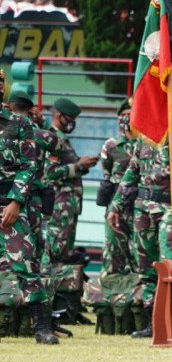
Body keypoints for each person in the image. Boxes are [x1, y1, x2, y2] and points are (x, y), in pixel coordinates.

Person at [107, 122, 172, 338]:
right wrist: (115, 205)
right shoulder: (144, 133)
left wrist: (164, 135)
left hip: (168, 207)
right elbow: (132, 170)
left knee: (170, 264)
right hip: (142, 208)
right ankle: (152, 322)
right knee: (145, 267)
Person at [0, 92, 58, 344]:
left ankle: (42, 327)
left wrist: (16, 201)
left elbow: (29, 165)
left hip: (9, 204)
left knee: (25, 263)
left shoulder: (19, 123)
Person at [45, 98, 98, 264]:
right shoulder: (51, 138)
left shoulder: (63, 140)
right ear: (59, 116)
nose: (72, 124)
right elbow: (50, 173)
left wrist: (83, 164)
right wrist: (78, 165)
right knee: (55, 250)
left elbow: (69, 168)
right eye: (70, 119)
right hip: (59, 203)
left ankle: (60, 287)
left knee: (65, 251)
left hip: (70, 205)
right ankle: (46, 284)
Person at [7, 92, 57, 263]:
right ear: (30, 110)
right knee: (34, 247)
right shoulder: (42, 135)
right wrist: (43, 123)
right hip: (34, 198)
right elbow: (60, 146)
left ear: (9, 107)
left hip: (8, 197)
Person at [98, 98, 137, 275]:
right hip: (116, 205)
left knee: (138, 251)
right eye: (124, 115)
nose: (127, 118)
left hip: (138, 204)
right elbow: (106, 171)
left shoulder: (147, 144)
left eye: (131, 114)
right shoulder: (111, 145)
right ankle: (112, 288)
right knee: (114, 248)